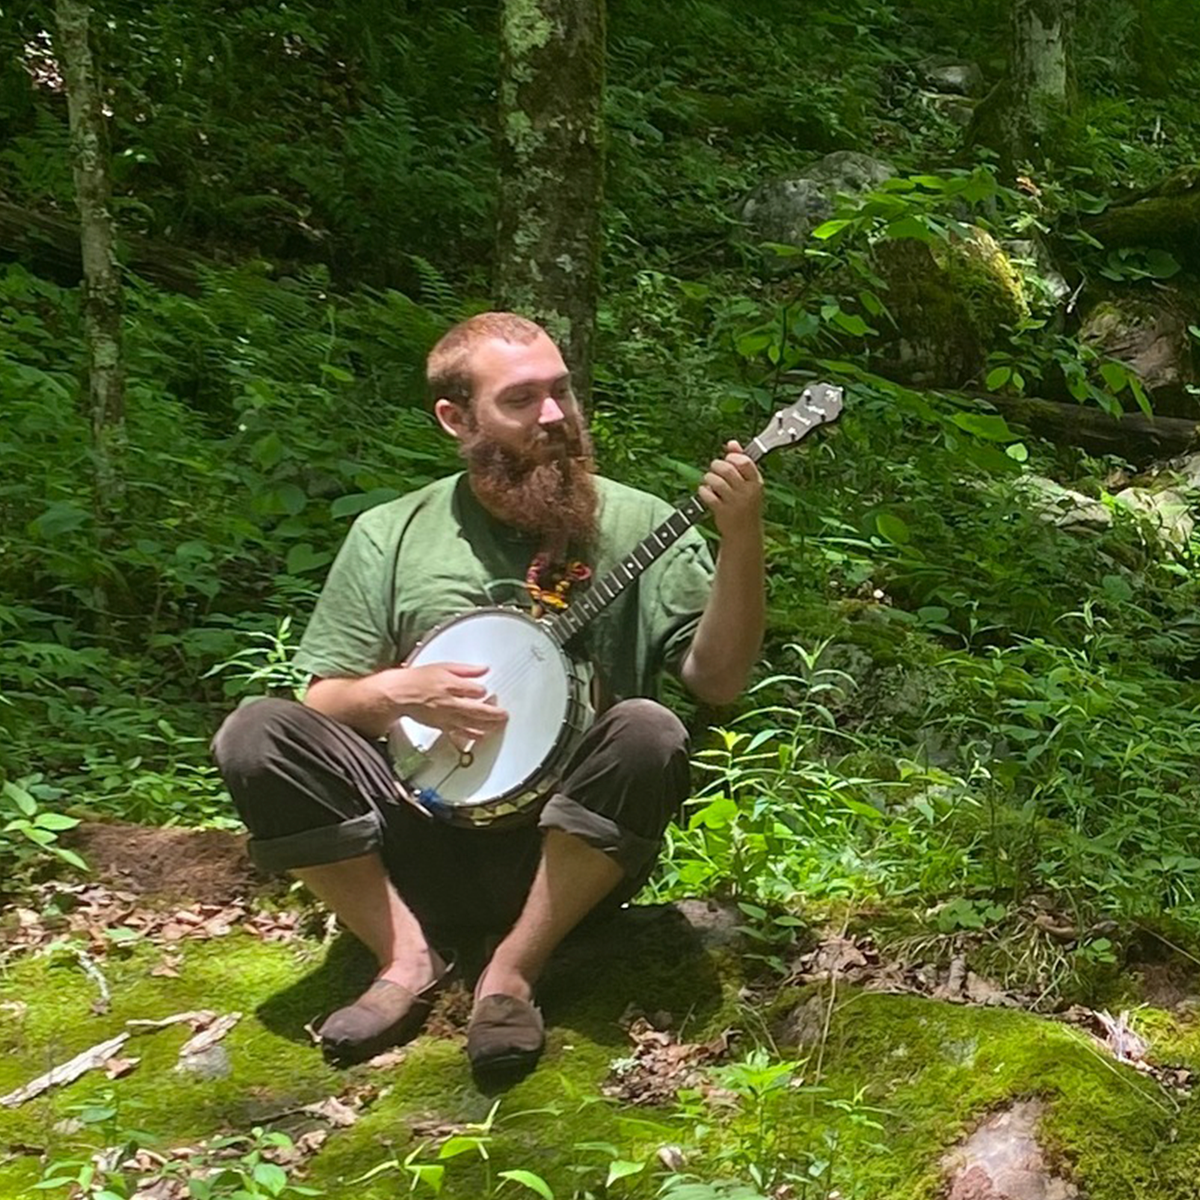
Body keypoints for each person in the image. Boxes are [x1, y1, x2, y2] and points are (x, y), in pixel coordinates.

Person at [212, 312, 765, 1085]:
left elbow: (720, 681)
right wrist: (396, 691)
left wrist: (743, 539)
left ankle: (512, 972)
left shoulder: (641, 522)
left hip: (565, 848)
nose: (555, 415)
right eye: (521, 400)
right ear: (456, 418)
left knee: (649, 729)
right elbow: (324, 697)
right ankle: (405, 958)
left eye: (562, 391)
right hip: (415, 830)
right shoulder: (392, 533)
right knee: (255, 733)